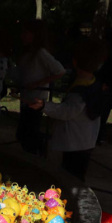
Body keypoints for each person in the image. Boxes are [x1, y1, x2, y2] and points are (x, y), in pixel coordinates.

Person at [28, 37, 108, 181]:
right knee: (76, 173)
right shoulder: (95, 85)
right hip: (86, 139)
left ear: (75, 62)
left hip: (76, 141)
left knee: (71, 177)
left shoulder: (80, 91)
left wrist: (44, 105)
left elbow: (67, 111)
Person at [14, 20, 66, 155]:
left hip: (36, 100)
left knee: (28, 133)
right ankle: (37, 152)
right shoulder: (27, 54)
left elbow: (60, 71)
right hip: (26, 99)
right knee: (23, 133)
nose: (22, 36)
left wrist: (37, 84)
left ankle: (40, 152)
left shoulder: (41, 53)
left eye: (26, 32)